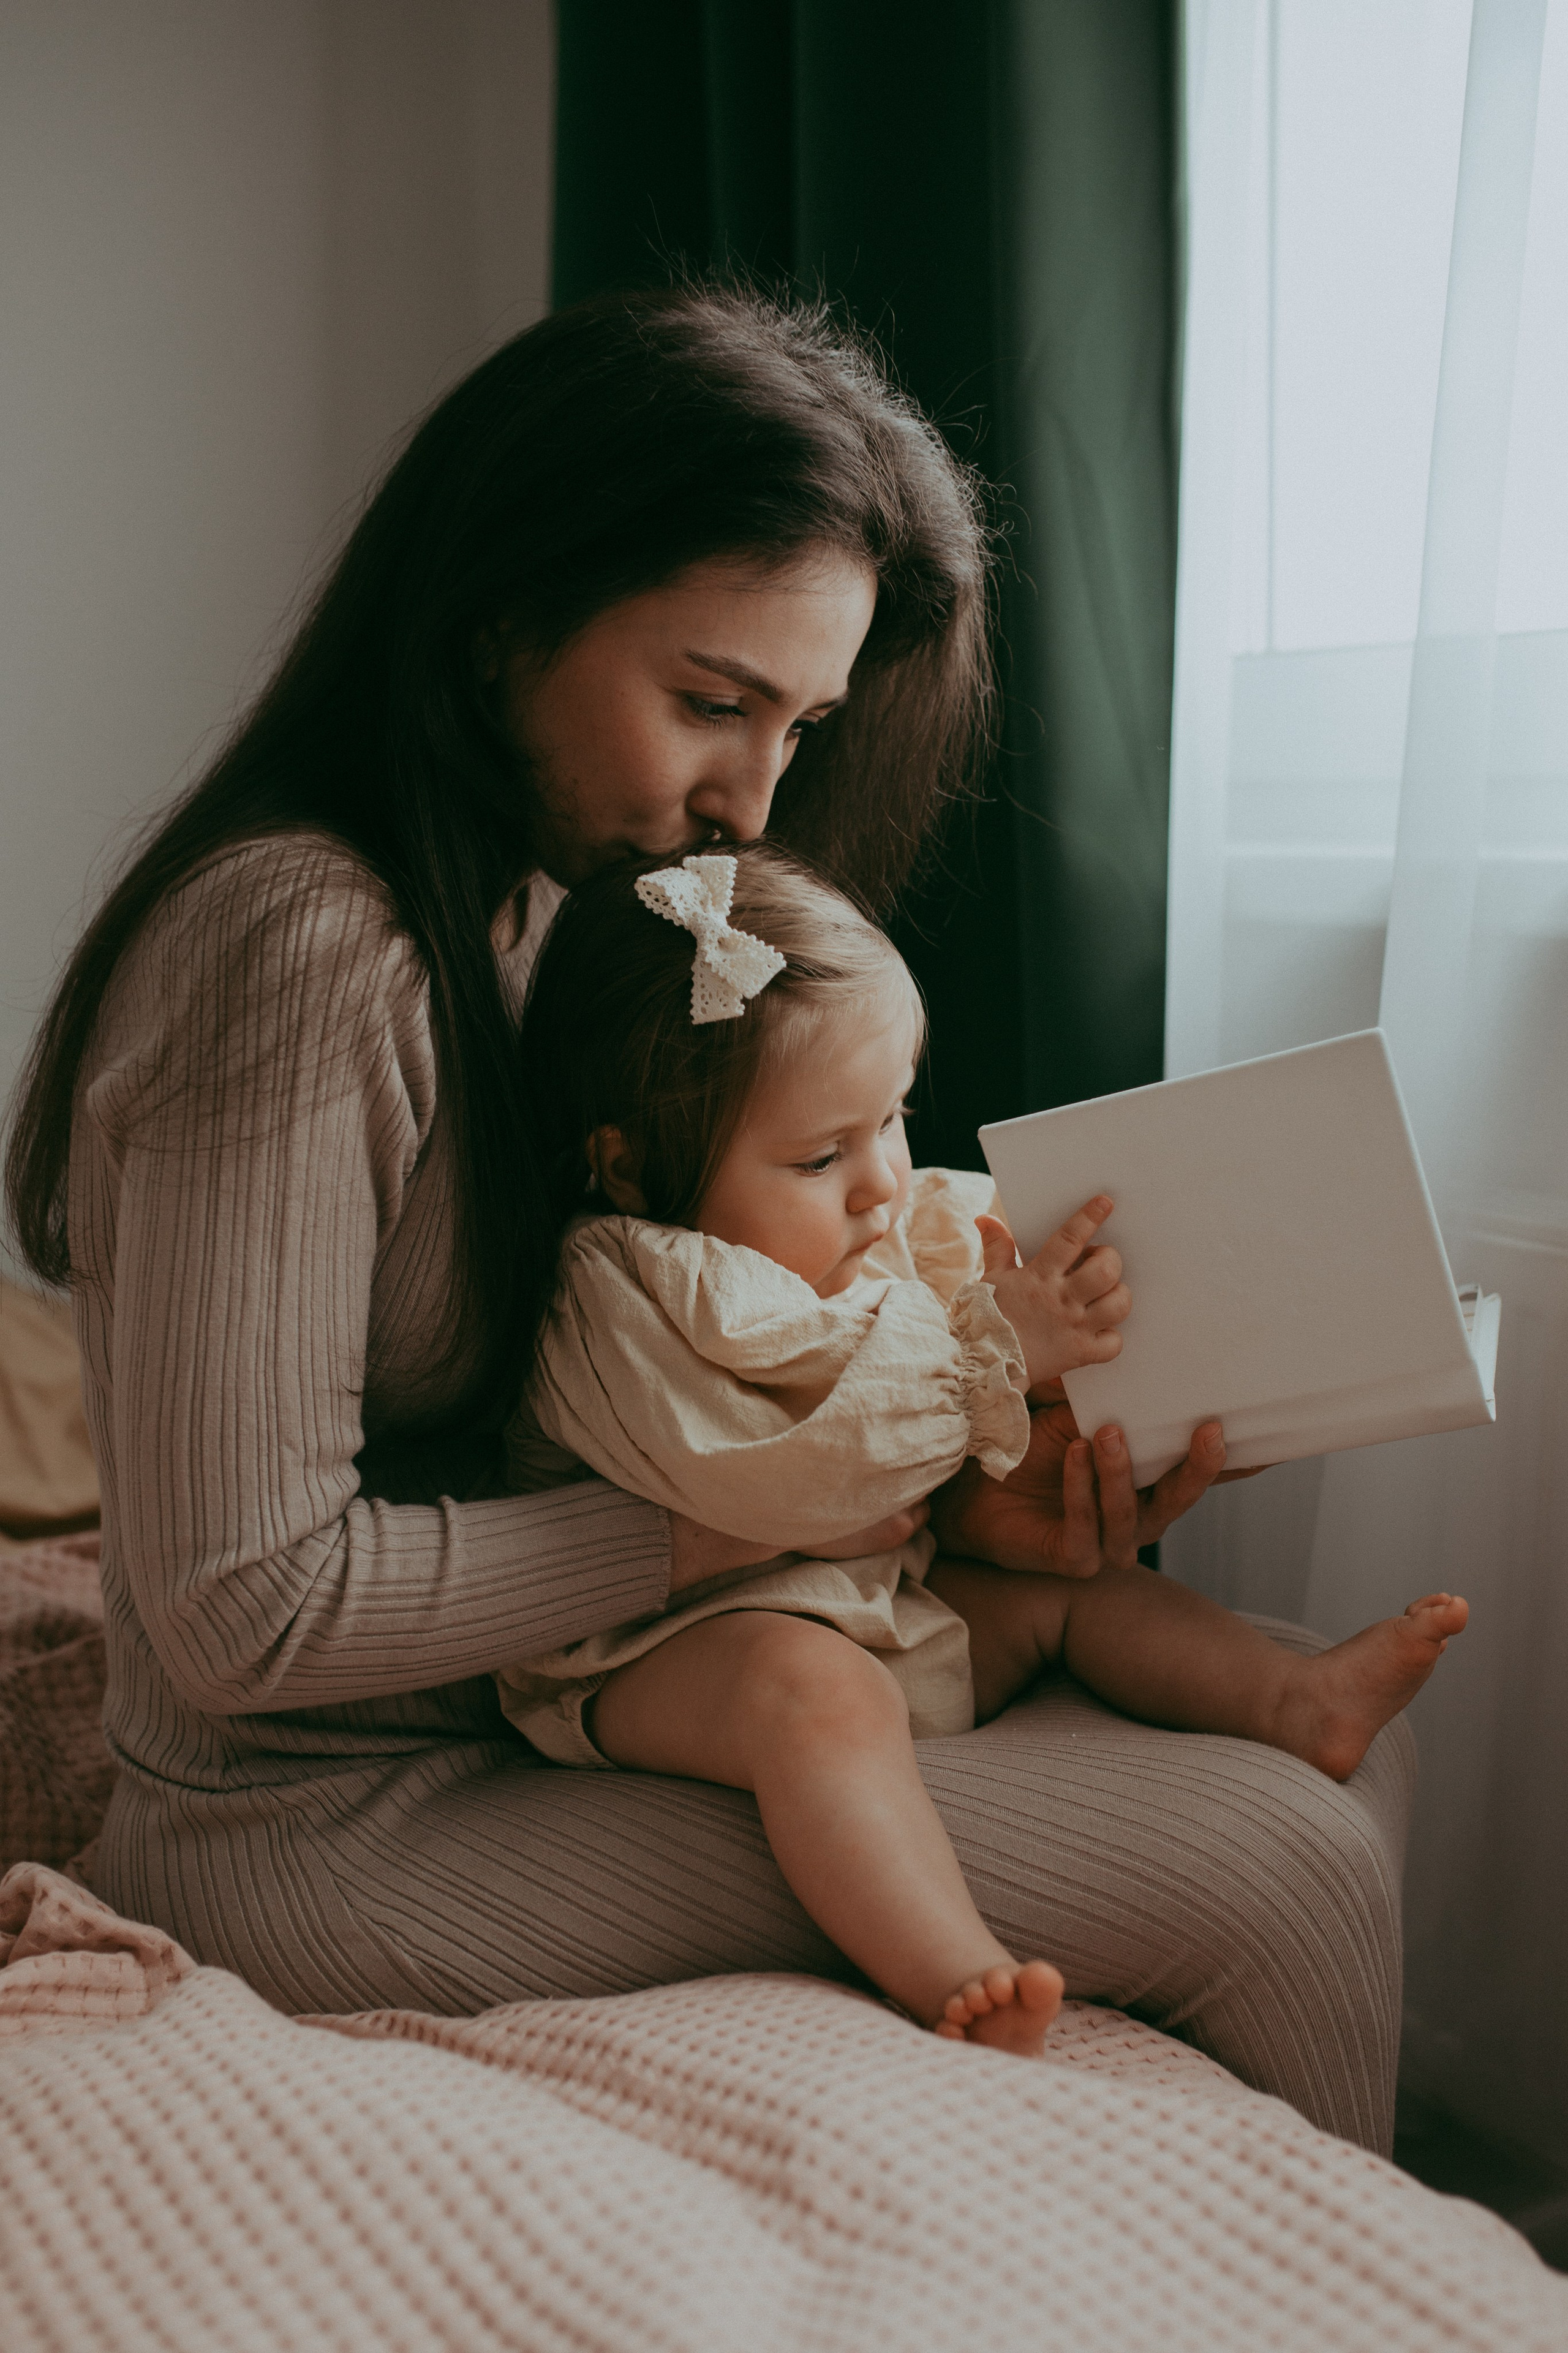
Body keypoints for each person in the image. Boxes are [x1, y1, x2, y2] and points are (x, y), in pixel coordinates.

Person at [4, 283, 1414, 2145]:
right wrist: (784, 1503)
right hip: (324, 1830)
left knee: (1259, 1771)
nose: (750, 801)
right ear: (501, 614)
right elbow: (237, 1608)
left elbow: (599, 1378)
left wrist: (975, 1486)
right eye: (709, 700)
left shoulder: (553, 922)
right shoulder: (300, 948)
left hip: (552, 1713)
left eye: (802, 726)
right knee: (1288, 1864)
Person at [495, 844, 1466, 2056]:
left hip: (875, 1591)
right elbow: (792, 1469)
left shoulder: (865, 1220)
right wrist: (991, 1354)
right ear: (626, 1158)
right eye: (818, 1157)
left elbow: (960, 1249)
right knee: (814, 1691)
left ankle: (1292, 1699)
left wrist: (1113, 1307)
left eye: (891, 1117)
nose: (878, 1185)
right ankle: (953, 1972)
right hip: (664, 1646)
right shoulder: (623, 1284)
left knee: (1067, 1589)